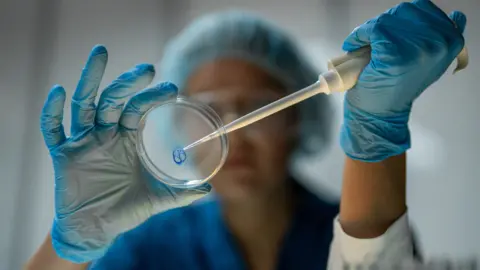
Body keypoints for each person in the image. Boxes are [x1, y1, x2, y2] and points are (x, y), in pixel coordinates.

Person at [25, 1, 466, 269]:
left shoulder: (369, 224)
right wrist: (68, 247)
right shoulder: (146, 247)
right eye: (209, 109)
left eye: (258, 107)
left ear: (299, 118)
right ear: (176, 124)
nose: (232, 132)